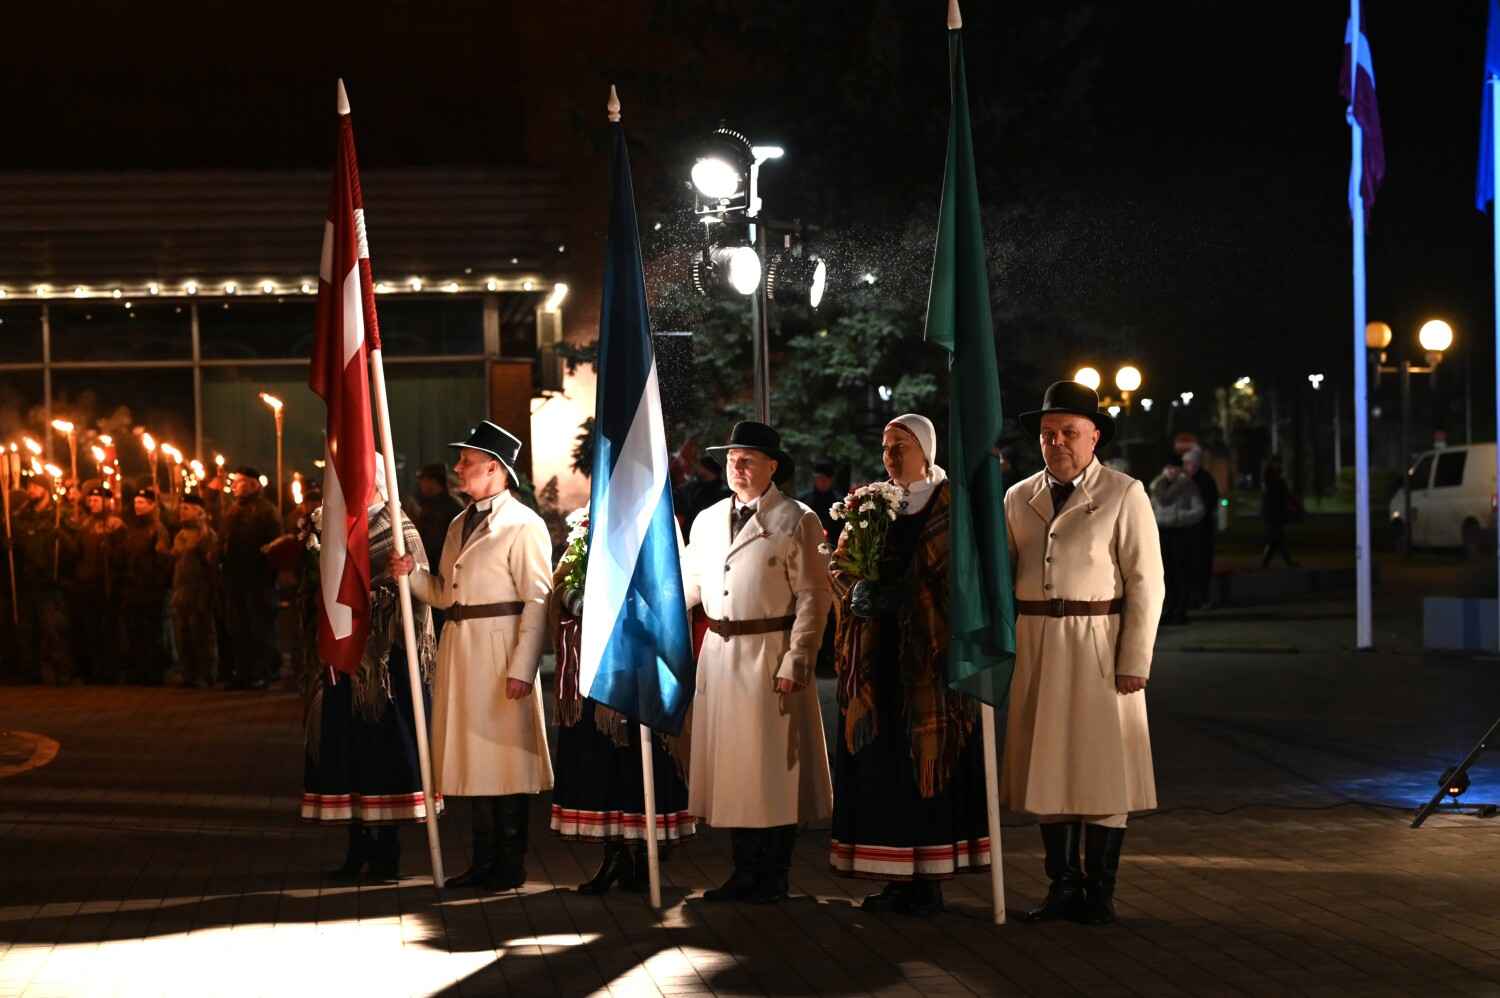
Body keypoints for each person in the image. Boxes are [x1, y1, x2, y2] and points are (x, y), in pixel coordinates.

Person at [1002, 381, 1164, 926]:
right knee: (1048, 766)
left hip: (1099, 644)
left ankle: (1101, 889)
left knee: (1102, 767)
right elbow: (1000, 577)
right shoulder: (1017, 497)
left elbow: (1147, 582)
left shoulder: (1124, 492)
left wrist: (1134, 660)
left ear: (1094, 437)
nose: (1057, 442)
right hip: (1039, 642)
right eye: (1049, 433)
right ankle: (1063, 886)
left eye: (1069, 432)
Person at [828, 414, 990, 916]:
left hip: (933, 662)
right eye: (885, 447)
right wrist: (855, 591)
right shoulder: (870, 505)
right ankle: (895, 873)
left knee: (929, 759)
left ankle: (932, 880)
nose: (890, 456)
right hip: (878, 657)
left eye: (901, 445)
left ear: (926, 449)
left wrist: (913, 593)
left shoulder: (953, 505)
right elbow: (839, 564)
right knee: (886, 767)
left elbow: (971, 576)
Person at [391, 421, 552, 893]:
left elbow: (538, 601)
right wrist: (413, 575)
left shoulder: (524, 524)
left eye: (467, 460)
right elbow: (445, 594)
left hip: (501, 650)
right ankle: (485, 860)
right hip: (464, 649)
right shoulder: (461, 522)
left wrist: (524, 667)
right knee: (476, 757)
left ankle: (510, 863)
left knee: (505, 760)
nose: (458, 467)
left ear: (495, 469)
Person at [682, 420, 833, 904]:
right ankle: (744, 869)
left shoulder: (796, 519)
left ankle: (775, 872)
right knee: (732, 768)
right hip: (721, 655)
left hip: (770, 652)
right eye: (731, 459)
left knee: (774, 767)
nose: (738, 467)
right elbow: (689, 585)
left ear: (772, 466)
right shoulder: (706, 521)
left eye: (748, 459)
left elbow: (814, 597)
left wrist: (798, 659)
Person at [302, 463, 441, 882]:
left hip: (385, 671)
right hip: (343, 665)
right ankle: (356, 844)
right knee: (348, 754)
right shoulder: (337, 526)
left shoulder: (399, 529)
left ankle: (388, 850)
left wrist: (362, 605)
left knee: (383, 755)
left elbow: (414, 603)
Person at [547, 529, 696, 895]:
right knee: (599, 763)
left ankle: (648, 858)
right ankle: (614, 855)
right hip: (594, 667)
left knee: (641, 763)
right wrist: (575, 598)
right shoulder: (588, 520)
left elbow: (671, 586)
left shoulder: (654, 515)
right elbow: (561, 581)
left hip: (641, 668)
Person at [219, 467, 283, 690]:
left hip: (258, 581)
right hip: (234, 580)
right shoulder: (232, 510)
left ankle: (262, 671)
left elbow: (275, 549)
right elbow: (224, 540)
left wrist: (268, 581)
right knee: (238, 627)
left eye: (240, 482)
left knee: (259, 629)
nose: (234, 486)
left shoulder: (267, 510)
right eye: (234, 482)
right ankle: (242, 670)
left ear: (254, 485)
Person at [6, 478, 72, 684]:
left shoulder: (58, 515)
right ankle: (30, 673)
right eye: (29, 487)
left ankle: (63, 671)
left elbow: (72, 548)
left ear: (45, 490)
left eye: (34, 487)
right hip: (26, 583)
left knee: (52, 630)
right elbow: (12, 535)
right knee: (26, 631)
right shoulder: (23, 517)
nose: (30, 491)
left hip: (48, 584)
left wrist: (63, 540)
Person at [67, 485, 124, 684]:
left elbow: (121, 558)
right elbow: (77, 552)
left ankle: (111, 669)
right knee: (92, 628)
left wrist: (110, 551)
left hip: (106, 582)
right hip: (87, 581)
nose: (91, 504)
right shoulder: (85, 525)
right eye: (90, 500)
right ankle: (97, 668)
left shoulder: (115, 525)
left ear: (106, 502)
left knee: (107, 628)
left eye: (96, 500)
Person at [117, 487, 172, 685]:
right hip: (133, 589)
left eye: (142, 503)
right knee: (136, 634)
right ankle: (140, 671)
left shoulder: (157, 529)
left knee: (152, 634)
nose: (136, 506)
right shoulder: (131, 529)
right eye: (135, 502)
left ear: (151, 505)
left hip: (150, 589)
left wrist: (158, 586)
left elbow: (163, 560)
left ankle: (154, 673)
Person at [169, 495, 219, 688]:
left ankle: (206, 674)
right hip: (181, 592)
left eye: (187, 508)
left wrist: (205, 595)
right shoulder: (181, 535)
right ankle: (188, 672)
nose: (183, 512)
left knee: (202, 636)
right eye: (181, 508)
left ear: (199, 511)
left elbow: (210, 569)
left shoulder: (206, 535)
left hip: (197, 592)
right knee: (183, 637)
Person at [1149, 453, 1204, 627]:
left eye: (1174, 467)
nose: (1171, 470)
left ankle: (1181, 609)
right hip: (1162, 533)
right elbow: (1150, 507)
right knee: (1165, 574)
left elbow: (1198, 509)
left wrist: (1180, 517)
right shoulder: (1157, 487)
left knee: (1181, 572)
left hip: (1181, 533)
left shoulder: (1187, 486)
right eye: (1168, 467)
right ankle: (1168, 609)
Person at [412, 463, 463, 634]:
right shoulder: (429, 507)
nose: (421, 485)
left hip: (442, 579)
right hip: (427, 578)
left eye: (424, 480)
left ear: (434, 481)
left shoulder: (453, 510)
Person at [1182, 448, 1219, 607]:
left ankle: (1202, 598)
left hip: (1201, 530)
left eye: (1188, 463)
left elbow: (1210, 503)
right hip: (1187, 530)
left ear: (1195, 464)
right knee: (1187, 566)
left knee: (1201, 565)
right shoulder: (1184, 480)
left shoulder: (1205, 480)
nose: (1185, 466)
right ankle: (1191, 599)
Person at [673, 455, 731, 541]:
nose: (697, 468)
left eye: (700, 466)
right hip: (689, 536)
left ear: (708, 469)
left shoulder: (724, 493)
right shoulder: (695, 487)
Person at [1260, 455, 1299, 569]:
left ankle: (1265, 562)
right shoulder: (1269, 477)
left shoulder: (1278, 477)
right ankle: (1288, 562)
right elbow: (1271, 493)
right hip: (1271, 512)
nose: (1278, 465)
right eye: (1276, 463)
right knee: (1276, 538)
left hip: (1277, 511)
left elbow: (1285, 491)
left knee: (1275, 539)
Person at [798, 460, 840, 538]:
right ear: (814, 478)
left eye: (826, 479)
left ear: (832, 479)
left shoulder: (839, 503)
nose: (823, 481)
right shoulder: (803, 500)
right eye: (820, 478)